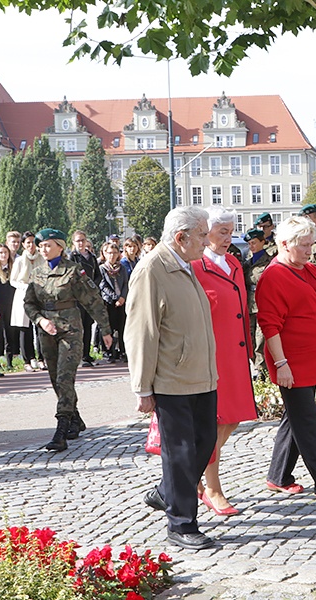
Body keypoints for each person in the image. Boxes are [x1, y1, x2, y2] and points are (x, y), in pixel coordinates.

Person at [125, 207, 219, 551]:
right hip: (171, 379)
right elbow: (141, 332)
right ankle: (181, 524)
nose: (206, 242)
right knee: (180, 453)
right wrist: (143, 386)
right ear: (181, 238)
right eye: (202, 235)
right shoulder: (153, 269)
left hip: (201, 376)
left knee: (206, 442)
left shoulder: (186, 265)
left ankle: (167, 492)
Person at [255, 216, 316, 504]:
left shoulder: (307, 269)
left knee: (295, 418)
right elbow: (270, 326)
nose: (310, 250)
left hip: (311, 359)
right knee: (307, 422)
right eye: (304, 245)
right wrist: (281, 364)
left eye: (311, 244)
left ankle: (278, 476)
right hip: (293, 363)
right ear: (284, 244)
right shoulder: (273, 277)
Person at [193, 207, 258, 515]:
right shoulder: (195, 265)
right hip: (211, 356)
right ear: (206, 232)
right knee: (213, 423)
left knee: (231, 419)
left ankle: (194, 476)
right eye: (222, 232)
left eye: (231, 232)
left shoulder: (233, 262)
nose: (228, 239)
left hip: (235, 353)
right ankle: (212, 488)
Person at [24, 229, 112, 451]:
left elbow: (93, 300)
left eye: (48, 245)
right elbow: (29, 303)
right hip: (47, 331)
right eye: (41, 245)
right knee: (55, 377)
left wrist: (105, 330)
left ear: (60, 247)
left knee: (64, 376)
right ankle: (75, 418)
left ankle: (61, 429)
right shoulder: (37, 273)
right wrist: (40, 320)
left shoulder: (73, 271)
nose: (43, 249)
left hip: (70, 330)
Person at [10, 232, 44, 372]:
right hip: (23, 295)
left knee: (40, 327)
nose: (31, 245)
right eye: (28, 243)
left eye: (33, 242)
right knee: (25, 329)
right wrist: (25, 287)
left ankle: (42, 358)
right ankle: (28, 359)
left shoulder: (41, 258)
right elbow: (13, 280)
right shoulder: (19, 261)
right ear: (23, 244)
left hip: (39, 295)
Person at [243, 228, 274, 379]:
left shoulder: (270, 261)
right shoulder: (247, 264)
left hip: (263, 304)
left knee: (261, 340)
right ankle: (255, 367)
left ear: (263, 242)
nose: (251, 246)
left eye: (254, 242)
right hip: (249, 305)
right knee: (250, 338)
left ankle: (262, 372)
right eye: (249, 243)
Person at [69, 231, 101, 367]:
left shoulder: (91, 257)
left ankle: (86, 355)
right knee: (78, 327)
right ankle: (78, 355)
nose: (80, 243)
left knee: (88, 325)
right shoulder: (72, 257)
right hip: (77, 298)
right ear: (73, 243)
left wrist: (93, 287)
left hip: (90, 297)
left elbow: (98, 275)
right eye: (78, 241)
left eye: (82, 240)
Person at [97, 242, 128, 363]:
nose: (112, 255)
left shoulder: (122, 268)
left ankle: (122, 350)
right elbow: (102, 285)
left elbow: (126, 283)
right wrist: (115, 297)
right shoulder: (102, 268)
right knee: (108, 326)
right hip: (108, 301)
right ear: (105, 254)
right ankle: (108, 351)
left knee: (121, 326)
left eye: (115, 253)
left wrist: (122, 297)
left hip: (121, 301)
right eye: (109, 253)